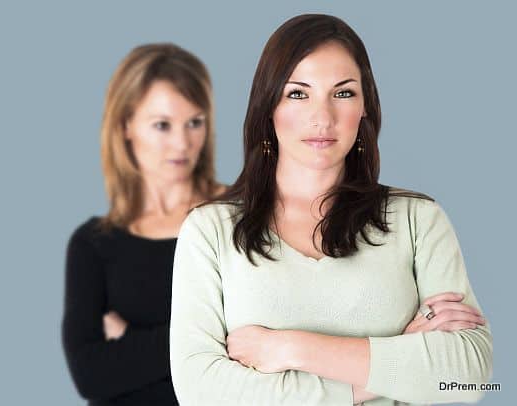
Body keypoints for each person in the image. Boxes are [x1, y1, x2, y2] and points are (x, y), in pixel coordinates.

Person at [169, 14, 492, 405]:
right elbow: (201, 392)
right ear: (268, 107)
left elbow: (470, 379)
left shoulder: (417, 220)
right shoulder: (210, 230)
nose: (322, 117)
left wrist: (291, 348)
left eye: (343, 93)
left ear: (365, 107)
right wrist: (377, 376)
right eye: (298, 94)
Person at [62, 43, 225, 405]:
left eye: (194, 122)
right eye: (162, 125)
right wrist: (207, 339)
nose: (182, 143)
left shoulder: (235, 214)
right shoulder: (93, 244)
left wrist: (132, 342)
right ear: (126, 126)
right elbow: (91, 376)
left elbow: (262, 344)